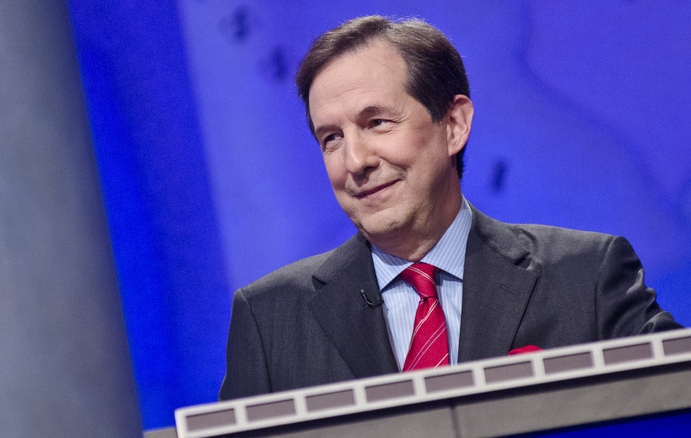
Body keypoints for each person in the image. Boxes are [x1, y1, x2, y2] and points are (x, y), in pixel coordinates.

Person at [218, 15, 682, 400]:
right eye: (331, 139)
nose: (354, 162)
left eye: (377, 122)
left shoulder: (586, 277)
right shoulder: (270, 319)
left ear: (454, 125)